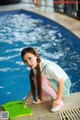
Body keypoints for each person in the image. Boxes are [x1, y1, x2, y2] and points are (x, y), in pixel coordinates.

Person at [21, 47, 71, 112]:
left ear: (36, 56)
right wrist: (28, 97)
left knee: (41, 80)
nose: (29, 63)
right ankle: (45, 98)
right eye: (25, 61)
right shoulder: (35, 66)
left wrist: (58, 99)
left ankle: (59, 102)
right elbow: (35, 83)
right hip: (55, 82)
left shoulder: (48, 67)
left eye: (30, 58)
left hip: (64, 85)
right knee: (37, 79)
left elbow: (61, 82)